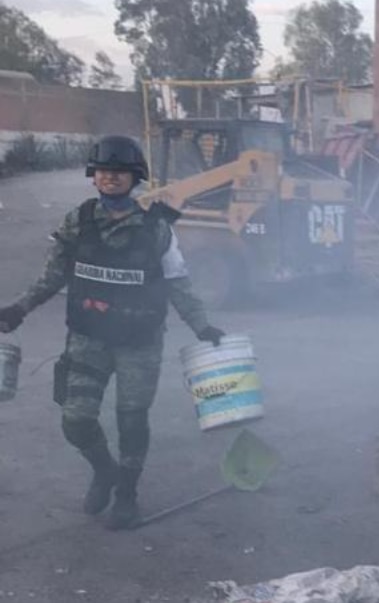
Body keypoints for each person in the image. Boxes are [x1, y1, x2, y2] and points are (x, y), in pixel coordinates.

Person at [0, 135, 225, 530]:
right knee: (76, 419)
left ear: (134, 177)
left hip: (140, 341)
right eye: (104, 171)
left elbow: (178, 283)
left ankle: (127, 493)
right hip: (89, 338)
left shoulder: (157, 229)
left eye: (119, 172)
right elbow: (53, 275)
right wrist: (19, 309)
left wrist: (202, 325)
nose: (110, 178)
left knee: (131, 421)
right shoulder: (77, 221)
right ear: (94, 176)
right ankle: (105, 470)